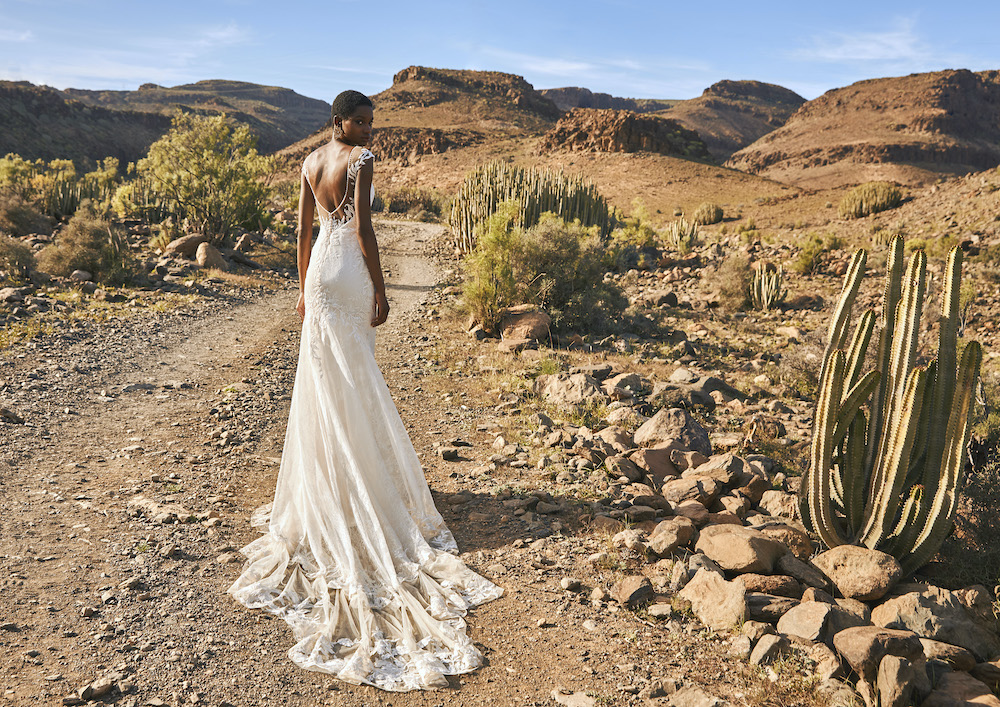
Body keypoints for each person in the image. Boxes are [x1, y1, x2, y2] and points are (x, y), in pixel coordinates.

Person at [228, 90, 502, 692]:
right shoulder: (361, 160)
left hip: (320, 270)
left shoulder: (308, 161)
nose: (367, 128)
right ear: (340, 120)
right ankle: (357, 486)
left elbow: (305, 228)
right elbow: (366, 232)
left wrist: (302, 287)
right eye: (360, 120)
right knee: (351, 377)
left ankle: (334, 479)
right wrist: (381, 288)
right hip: (347, 269)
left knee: (329, 378)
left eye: (371, 122)